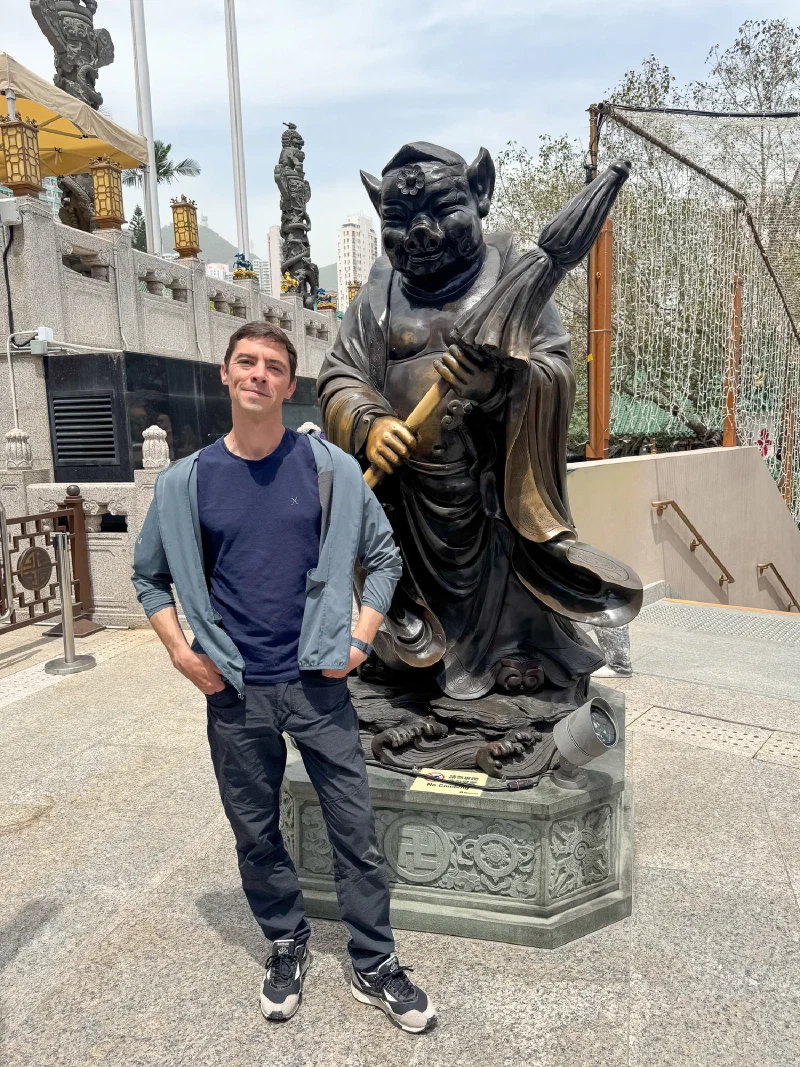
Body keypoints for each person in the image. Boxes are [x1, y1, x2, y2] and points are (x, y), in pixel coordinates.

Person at [132, 321, 436, 1033]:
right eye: (247, 361)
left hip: (319, 683)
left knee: (354, 828)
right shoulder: (186, 482)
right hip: (235, 690)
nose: (258, 374)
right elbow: (149, 577)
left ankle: (374, 960)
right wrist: (182, 653)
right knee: (255, 828)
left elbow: (385, 558)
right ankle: (286, 940)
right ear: (226, 374)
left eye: (273, 365)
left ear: (288, 385)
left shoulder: (327, 469)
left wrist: (361, 638)